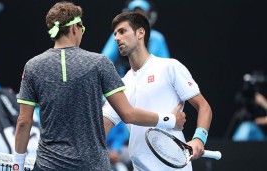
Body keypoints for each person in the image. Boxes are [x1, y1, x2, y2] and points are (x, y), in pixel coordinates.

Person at [13, 2, 186, 171]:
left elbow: (23, 122)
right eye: (82, 29)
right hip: (92, 165)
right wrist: (170, 120)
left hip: (47, 165)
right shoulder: (99, 63)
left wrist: (17, 165)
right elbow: (128, 114)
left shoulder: (32, 66)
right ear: (75, 29)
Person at [103, 12, 212, 171]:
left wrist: (199, 139)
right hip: (139, 167)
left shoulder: (170, 67)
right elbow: (103, 124)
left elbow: (204, 107)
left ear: (140, 32)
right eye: (115, 34)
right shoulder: (121, 84)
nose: (116, 38)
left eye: (122, 31)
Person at [102, 0, 170, 76]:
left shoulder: (157, 38)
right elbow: (105, 61)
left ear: (149, 15)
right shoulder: (118, 35)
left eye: (142, 14)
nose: (138, 18)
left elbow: (165, 67)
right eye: (134, 14)